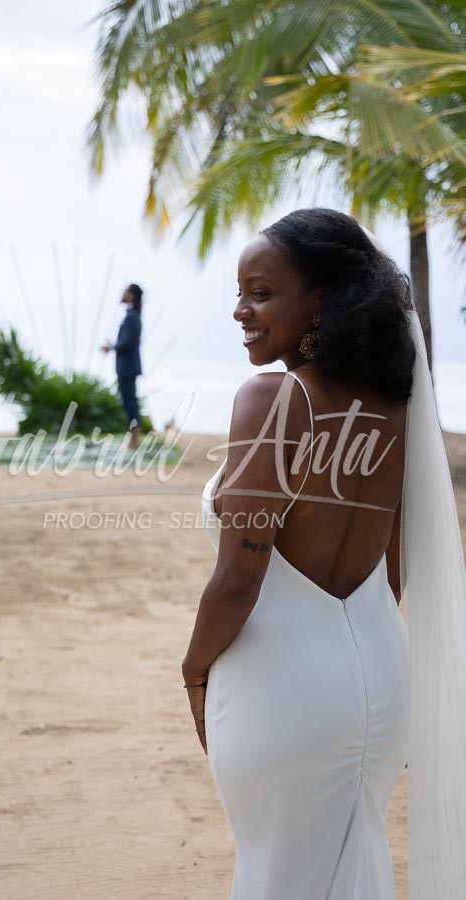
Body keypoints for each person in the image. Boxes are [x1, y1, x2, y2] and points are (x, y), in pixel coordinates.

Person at [182, 208, 466, 899]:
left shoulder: (273, 398)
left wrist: (194, 672)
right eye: (240, 293)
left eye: (261, 293)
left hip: (284, 688)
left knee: (276, 876)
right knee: (354, 869)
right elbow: (394, 568)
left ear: (324, 299)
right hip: (380, 684)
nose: (241, 312)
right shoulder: (395, 408)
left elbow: (239, 576)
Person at [101, 283, 143, 449]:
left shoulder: (132, 317)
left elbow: (128, 343)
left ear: (131, 295)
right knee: (130, 401)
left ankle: (134, 438)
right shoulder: (133, 315)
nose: (123, 294)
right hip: (127, 367)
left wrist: (111, 347)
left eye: (125, 291)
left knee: (130, 402)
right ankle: (133, 437)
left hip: (127, 367)